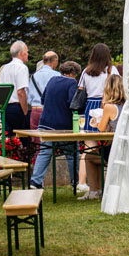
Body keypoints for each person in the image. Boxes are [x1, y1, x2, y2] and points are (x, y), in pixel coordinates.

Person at [31, 61, 81, 191]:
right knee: (72, 153)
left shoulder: (52, 80)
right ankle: (75, 181)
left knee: (45, 152)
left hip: (45, 122)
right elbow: (73, 102)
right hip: (63, 125)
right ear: (73, 73)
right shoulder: (72, 83)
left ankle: (35, 181)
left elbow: (43, 99)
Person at [86, 73, 125, 200]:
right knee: (97, 153)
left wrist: (95, 123)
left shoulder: (109, 107)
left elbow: (102, 129)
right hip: (125, 147)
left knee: (89, 157)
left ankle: (94, 191)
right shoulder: (127, 105)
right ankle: (99, 189)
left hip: (114, 150)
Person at [0, 41, 31, 153]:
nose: (28, 54)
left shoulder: (4, 69)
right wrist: (25, 111)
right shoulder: (22, 68)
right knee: (24, 139)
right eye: (26, 52)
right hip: (17, 107)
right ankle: (25, 161)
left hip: (5, 107)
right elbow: (21, 91)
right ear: (21, 53)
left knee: (9, 141)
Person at [28, 51, 60, 133]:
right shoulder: (57, 76)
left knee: (35, 138)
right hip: (50, 111)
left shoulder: (33, 76)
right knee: (50, 137)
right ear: (55, 61)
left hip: (35, 110)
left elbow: (29, 98)